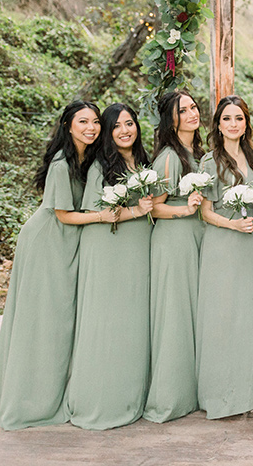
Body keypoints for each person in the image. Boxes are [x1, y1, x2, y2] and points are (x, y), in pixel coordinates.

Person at [0, 101, 104, 430]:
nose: (91, 127)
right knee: (41, 322)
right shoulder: (61, 163)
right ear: (68, 125)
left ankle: (52, 391)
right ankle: (28, 401)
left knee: (61, 321)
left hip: (67, 242)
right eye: (83, 121)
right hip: (47, 243)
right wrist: (102, 216)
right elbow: (64, 215)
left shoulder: (87, 159)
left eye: (95, 121)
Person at [66, 102, 155, 430]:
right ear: (106, 131)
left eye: (129, 123)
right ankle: (101, 399)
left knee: (131, 322)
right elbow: (95, 213)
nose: (125, 130)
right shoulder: (100, 167)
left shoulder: (143, 162)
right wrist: (135, 211)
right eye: (116, 125)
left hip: (136, 249)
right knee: (106, 322)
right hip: (107, 248)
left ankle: (130, 394)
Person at [196, 95, 253, 419]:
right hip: (223, 242)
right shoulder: (210, 161)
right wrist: (232, 223)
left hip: (251, 243)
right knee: (222, 318)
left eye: (239, 118)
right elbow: (205, 213)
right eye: (227, 119)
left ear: (246, 122)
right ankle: (219, 395)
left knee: (245, 318)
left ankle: (245, 392)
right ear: (218, 124)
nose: (234, 124)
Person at [143, 90, 206, 423]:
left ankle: (191, 389)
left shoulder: (195, 152)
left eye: (194, 107)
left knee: (191, 314)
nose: (192, 113)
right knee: (175, 315)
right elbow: (154, 206)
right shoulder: (169, 157)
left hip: (193, 238)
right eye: (184, 110)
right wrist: (186, 211)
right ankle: (170, 396)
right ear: (171, 118)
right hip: (173, 240)